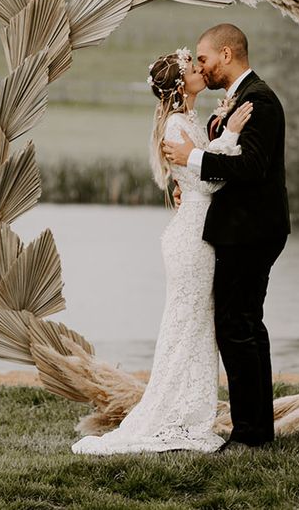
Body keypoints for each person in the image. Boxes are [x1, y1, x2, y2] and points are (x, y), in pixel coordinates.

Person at [71, 47, 253, 455]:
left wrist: (219, 132)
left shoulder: (187, 120)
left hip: (199, 231)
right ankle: (175, 418)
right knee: (187, 327)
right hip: (193, 239)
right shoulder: (175, 126)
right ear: (179, 84)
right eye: (192, 67)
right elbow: (205, 182)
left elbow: (195, 169)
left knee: (195, 327)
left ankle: (190, 414)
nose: (199, 71)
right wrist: (232, 135)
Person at [163, 23, 290, 450]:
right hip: (241, 229)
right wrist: (187, 177)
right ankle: (256, 431)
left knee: (238, 327)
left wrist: (192, 157)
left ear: (227, 55)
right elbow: (224, 165)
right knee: (243, 326)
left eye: (204, 58)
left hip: (251, 231)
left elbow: (251, 168)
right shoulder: (239, 100)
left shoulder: (261, 103)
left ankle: (250, 435)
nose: (201, 66)